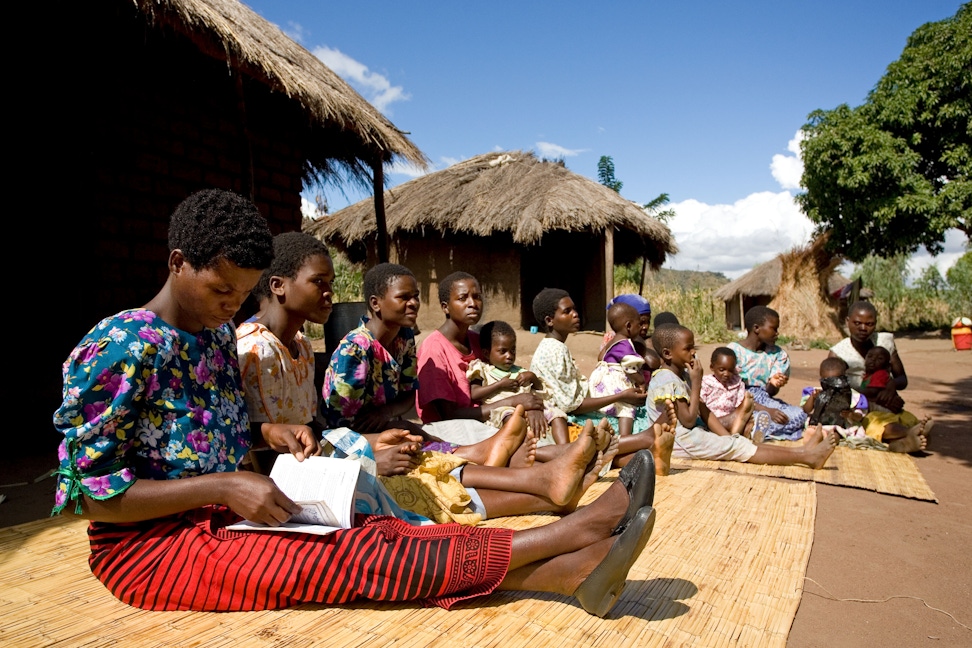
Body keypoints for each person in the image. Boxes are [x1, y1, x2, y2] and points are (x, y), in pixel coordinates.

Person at [51, 188, 659, 617]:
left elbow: (206, 437)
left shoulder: (211, 338)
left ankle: (571, 573)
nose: (227, 306)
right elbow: (93, 499)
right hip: (152, 552)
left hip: (221, 516)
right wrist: (222, 487)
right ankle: (571, 533)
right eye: (218, 289)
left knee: (373, 528)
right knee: (349, 555)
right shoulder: (118, 349)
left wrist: (268, 437)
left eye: (238, 293)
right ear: (177, 263)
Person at [321, 263, 607, 524]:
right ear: (376, 303)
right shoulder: (356, 350)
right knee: (427, 453)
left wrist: (388, 415)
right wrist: (389, 429)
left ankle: (541, 467)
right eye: (404, 297)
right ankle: (536, 474)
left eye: (416, 296)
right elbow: (342, 426)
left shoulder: (404, 338)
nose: (414, 303)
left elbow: (409, 394)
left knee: (430, 443)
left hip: (387, 426)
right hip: (357, 437)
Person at [236, 232, 429, 522]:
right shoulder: (254, 349)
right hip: (274, 496)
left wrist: (372, 441)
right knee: (402, 504)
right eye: (318, 281)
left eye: (331, 283)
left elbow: (311, 431)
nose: (329, 293)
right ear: (278, 285)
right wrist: (365, 461)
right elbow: (259, 456)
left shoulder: (300, 345)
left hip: (309, 474)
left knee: (419, 472)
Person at [647, 324, 837, 469]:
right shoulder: (666, 380)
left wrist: (728, 437)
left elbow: (705, 411)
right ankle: (806, 457)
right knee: (740, 449)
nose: (693, 352)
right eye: (688, 348)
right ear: (667, 353)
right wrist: (697, 383)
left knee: (739, 443)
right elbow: (688, 421)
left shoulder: (683, 376)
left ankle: (804, 451)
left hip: (689, 436)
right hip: (678, 442)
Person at [529, 288, 675, 475]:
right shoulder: (554, 351)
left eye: (574, 309)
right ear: (550, 321)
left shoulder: (556, 347)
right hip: (559, 418)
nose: (575, 314)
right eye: (567, 311)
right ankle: (645, 438)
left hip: (568, 409)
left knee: (605, 445)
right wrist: (619, 396)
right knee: (603, 434)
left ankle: (650, 458)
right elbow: (571, 405)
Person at [416, 271, 549, 439]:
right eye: (463, 298)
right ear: (445, 307)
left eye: (477, 296)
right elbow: (448, 415)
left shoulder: (479, 341)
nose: (473, 304)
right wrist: (513, 403)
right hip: (450, 430)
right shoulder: (433, 350)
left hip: (489, 419)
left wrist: (529, 406)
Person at [829, 301, 932, 452]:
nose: (863, 328)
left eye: (869, 324)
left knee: (910, 423)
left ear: (876, 323)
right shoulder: (839, 352)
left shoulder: (884, 342)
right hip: (860, 408)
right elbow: (834, 390)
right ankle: (907, 434)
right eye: (857, 323)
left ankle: (901, 443)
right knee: (878, 424)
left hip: (889, 403)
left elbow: (902, 379)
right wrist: (872, 397)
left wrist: (890, 386)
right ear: (847, 321)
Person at [467, 320, 571, 445]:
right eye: (503, 351)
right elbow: (475, 393)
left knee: (557, 415)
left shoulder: (520, 371)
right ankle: (520, 447)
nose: (509, 356)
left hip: (529, 407)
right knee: (511, 419)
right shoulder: (482, 369)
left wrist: (533, 378)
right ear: (486, 353)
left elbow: (543, 393)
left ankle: (565, 447)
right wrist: (499, 385)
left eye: (513, 350)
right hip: (503, 409)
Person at [728, 306, 808, 440]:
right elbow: (729, 390)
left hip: (763, 398)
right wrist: (766, 410)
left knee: (800, 415)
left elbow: (770, 393)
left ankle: (752, 426)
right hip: (736, 398)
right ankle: (752, 424)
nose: (777, 333)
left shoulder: (777, 355)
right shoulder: (733, 352)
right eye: (774, 329)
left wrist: (773, 384)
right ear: (756, 328)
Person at [588, 301, 656, 438]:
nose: (642, 327)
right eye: (639, 324)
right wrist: (641, 381)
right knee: (626, 407)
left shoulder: (613, 341)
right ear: (629, 326)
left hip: (600, 382)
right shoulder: (625, 344)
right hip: (614, 381)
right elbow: (630, 367)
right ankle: (625, 437)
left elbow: (601, 357)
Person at [699, 347, 769, 441]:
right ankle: (736, 432)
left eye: (730, 370)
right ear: (712, 367)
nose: (726, 374)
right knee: (738, 417)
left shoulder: (736, 383)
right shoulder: (706, 383)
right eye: (722, 370)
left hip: (733, 417)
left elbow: (740, 404)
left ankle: (749, 432)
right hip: (713, 421)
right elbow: (700, 406)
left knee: (748, 421)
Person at [800, 357, 870, 445]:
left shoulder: (854, 396)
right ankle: (814, 436)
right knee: (813, 429)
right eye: (827, 382)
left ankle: (825, 438)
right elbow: (806, 410)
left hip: (840, 427)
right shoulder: (816, 392)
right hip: (818, 424)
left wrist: (851, 415)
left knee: (835, 435)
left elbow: (860, 416)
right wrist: (813, 398)